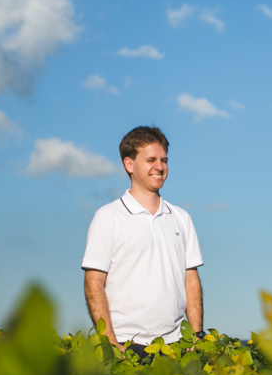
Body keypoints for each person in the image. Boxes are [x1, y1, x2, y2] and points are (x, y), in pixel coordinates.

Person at [82, 126, 204, 359]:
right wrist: (109, 342)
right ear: (129, 165)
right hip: (126, 346)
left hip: (176, 346)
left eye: (163, 160)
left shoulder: (181, 218)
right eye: (151, 160)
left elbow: (191, 280)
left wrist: (197, 336)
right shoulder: (108, 217)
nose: (159, 167)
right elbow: (93, 283)